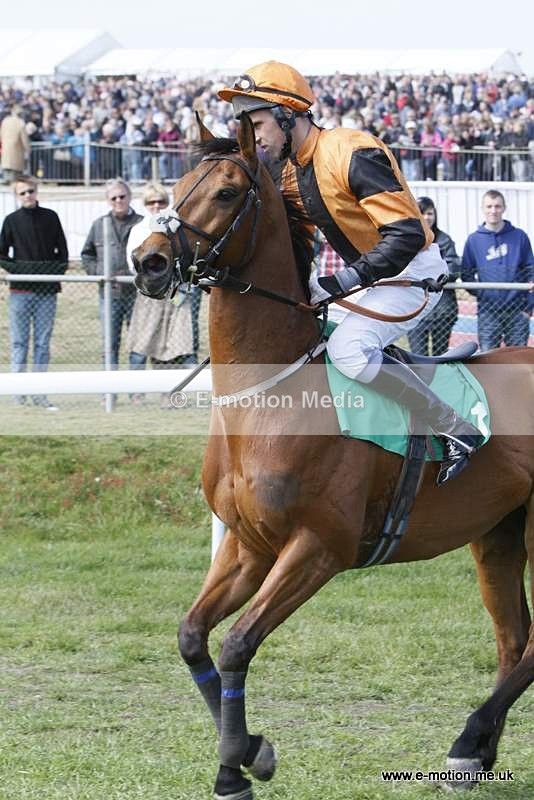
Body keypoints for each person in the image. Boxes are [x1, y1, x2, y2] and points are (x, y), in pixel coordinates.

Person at [218, 60, 484, 484]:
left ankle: (454, 427)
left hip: (413, 273)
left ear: (287, 114)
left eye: (258, 124)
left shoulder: (351, 150)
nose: (254, 138)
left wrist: (343, 281)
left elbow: (406, 235)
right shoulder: (292, 172)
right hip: (375, 277)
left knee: (348, 350)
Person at [0, 174, 68, 409]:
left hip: (47, 292)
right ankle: (18, 393)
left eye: (31, 191)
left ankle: (39, 393)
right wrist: (21, 271)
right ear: (16, 196)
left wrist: (49, 272)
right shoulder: (11, 221)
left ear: (36, 191)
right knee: (19, 343)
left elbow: (63, 255)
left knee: (42, 344)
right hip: (20, 291)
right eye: (23, 193)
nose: (28, 195)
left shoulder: (51, 217)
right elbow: (2, 254)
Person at [126, 182, 195, 408]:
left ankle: (170, 395)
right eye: (151, 202)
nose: (156, 206)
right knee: (141, 345)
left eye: (161, 201)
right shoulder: (139, 229)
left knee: (173, 347)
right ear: (145, 204)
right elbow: (132, 262)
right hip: (149, 295)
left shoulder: (176, 228)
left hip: (175, 295)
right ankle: (136, 394)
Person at [81, 179, 143, 388]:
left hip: (138, 294)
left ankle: (137, 391)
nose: (118, 200)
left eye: (122, 196)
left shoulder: (142, 223)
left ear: (129, 197)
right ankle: (110, 392)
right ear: (108, 200)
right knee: (110, 344)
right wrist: (101, 273)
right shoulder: (99, 224)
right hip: (109, 294)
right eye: (113, 197)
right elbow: (87, 255)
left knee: (138, 344)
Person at [461, 189, 534, 351]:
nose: (493, 211)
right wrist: (482, 293)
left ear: (504, 208)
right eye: (489, 206)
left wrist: (528, 307)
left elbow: (531, 270)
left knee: (516, 358)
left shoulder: (519, 236)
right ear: (483, 209)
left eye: (497, 206)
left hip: (517, 310)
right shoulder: (474, 240)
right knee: (488, 358)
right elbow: (466, 273)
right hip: (488, 311)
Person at [408, 198, 461, 355]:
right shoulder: (406, 239)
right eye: (422, 213)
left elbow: (454, 268)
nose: (426, 217)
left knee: (440, 356)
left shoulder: (445, 240)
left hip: (442, 311)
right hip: (415, 310)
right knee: (418, 357)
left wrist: (436, 279)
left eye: (430, 213)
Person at [0, 105, 30, 184]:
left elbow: (1, 134)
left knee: (7, 167)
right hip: (17, 149)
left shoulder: (5, 121)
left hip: (6, 147)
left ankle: (7, 180)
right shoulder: (20, 123)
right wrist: (28, 149)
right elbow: (24, 139)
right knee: (16, 169)